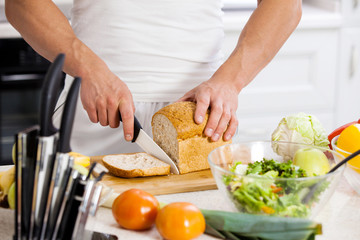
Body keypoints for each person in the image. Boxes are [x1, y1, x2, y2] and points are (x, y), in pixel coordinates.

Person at [5, 0, 302, 156]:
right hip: (94, 114)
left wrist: (229, 81)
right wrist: (88, 68)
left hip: (198, 122)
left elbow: (286, 4)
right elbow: (21, 2)